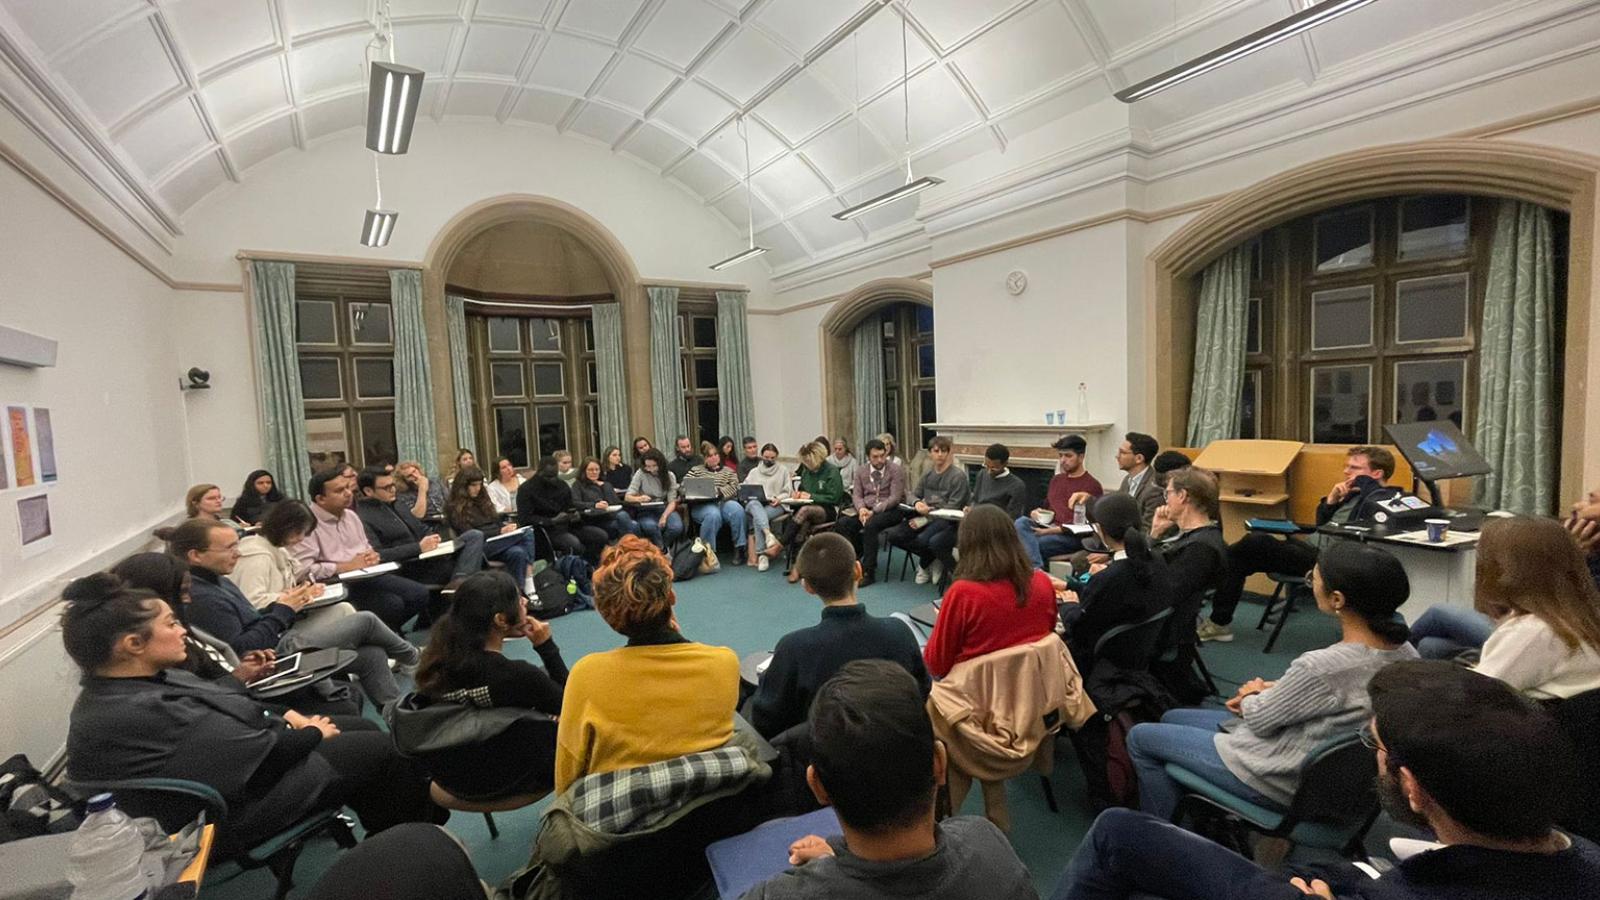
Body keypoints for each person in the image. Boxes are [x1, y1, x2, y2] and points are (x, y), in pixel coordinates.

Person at [1050, 659, 1600, 900]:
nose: (1371, 753)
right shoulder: (1586, 859)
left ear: (1411, 788)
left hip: (1321, 872)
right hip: (1359, 867)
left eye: (1375, 746)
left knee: (1118, 830)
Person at [62, 573, 442, 855]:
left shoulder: (130, 687)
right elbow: (263, 757)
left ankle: (395, 834)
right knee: (378, 750)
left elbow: (222, 707)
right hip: (223, 817)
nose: (181, 631)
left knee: (359, 727)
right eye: (171, 623)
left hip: (226, 783)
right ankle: (409, 846)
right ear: (132, 644)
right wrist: (310, 733)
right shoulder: (141, 711)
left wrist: (286, 717)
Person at [1126, 539, 1418, 820]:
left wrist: (1253, 695)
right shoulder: (1407, 655)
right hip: (1336, 783)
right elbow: (1343, 690)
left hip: (1277, 776)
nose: (1311, 583)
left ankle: (1160, 833)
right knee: (1173, 716)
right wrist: (1275, 689)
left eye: (1312, 578)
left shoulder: (1321, 667)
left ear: (1337, 599)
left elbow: (1260, 719)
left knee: (1140, 737)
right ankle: (1203, 814)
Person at [743, 660, 1038, 900]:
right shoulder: (987, 842)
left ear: (817, 786)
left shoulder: (773, 895)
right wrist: (835, 860)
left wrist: (834, 865)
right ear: (939, 763)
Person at [171, 517, 419, 706]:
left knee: (372, 655)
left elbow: (251, 618)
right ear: (196, 555)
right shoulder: (201, 597)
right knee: (365, 620)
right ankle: (415, 659)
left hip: (281, 640)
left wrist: (286, 603)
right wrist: (283, 610)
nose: (237, 553)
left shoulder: (215, 579)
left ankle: (397, 718)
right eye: (229, 548)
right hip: (276, 656)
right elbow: (244, 649)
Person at [554, 536, 738, 792]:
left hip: (620, 825)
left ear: (608, 615)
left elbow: (567, 779)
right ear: (671, 597)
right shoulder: (723, 662)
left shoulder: (586, 675)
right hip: (709, 808)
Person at [110, 553, 359, 718]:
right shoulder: (168, 646)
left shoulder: (210, 594)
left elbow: (221, 668)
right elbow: (205, 700)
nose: (238, 553)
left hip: (243, 692)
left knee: (363, 662)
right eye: (182, 593)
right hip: (242, 706)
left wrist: (246, 668)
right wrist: (282, 610)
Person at [1199, 445, 1397, 643]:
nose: (1346, 471)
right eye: (1347, 466)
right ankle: (1218, 613)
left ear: (1377, 473)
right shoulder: (1354, 492)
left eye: (1354, 468)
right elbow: (1322, 525)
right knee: (1243, 553)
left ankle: (1215, 604)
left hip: (1329, 562)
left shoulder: (1379, 499)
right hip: (1313, 548)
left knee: (1253, 544)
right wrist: (1331, 501)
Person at [749, 533, 929, 738]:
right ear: (858, 571)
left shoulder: (794, 648)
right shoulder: (899, 632)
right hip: (894, 748)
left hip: (822, 756)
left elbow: (767, 720)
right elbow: (921, 692)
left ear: (807, 586)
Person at [1407, 516, 1600, 700]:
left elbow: (1475, 696)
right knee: (1432, 645)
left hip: (1528, 724)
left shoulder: (1533, 632)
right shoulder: (1577, 611)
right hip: (1553, 711)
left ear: (1507, 571)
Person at [412, 571, 569, 797]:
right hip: (518, 778)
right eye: (517, 599)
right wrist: (547, 647)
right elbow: (573, 705)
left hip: (456, 780)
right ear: (500, 620)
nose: (524, 602)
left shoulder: (434, 668)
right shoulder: (519, 675)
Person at [922, 505, 1061, 679]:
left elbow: (936, 665)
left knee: (905, 627)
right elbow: (1047, 632)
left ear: (966, 542)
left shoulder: (963, 593)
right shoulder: (1042, 582)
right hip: (1033, 686)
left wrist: (944, 622)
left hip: (976, 693)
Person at [293, 469, 431, 632]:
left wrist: (371, 555)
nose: (348, 493)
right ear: (320, 499)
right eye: (339, 491)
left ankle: (386, 632)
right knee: (392, 604)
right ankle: (387, 636)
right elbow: (302, 571)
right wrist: (342, 567)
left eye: (347, 488)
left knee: (419, 593)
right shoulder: (306, 524)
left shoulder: (351, 516)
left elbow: (365, 547)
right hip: (336, 583)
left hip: (366, 575)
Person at [1059, 493, 1172, 672]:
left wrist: (1068, 606)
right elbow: (1115, 598)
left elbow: (1079, 630)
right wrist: (1071, 587)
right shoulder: (1156, 559)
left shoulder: (1109, 577)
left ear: (1101, 531)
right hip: (1134, 653)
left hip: (1099, 659)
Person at [356, 467, 486, 584]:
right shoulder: (364, 517)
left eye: (393, 485)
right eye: (386, 488)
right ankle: (461, 583)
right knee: (477, 566)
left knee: (474, 536)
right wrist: (418, 548)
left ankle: (460, 581)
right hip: (410, 566)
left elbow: (421, 528)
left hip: (430, 556)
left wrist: (434, 537)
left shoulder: (398, 504)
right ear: (368, 491)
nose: (393, 490)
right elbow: (379, 555)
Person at [883, 436, 970, 586]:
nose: (940, 454)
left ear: (949, 453)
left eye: (944, 451)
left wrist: (926, 518)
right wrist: (917, 503)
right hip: (925, 515)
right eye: (936, 451)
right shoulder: (928, 474)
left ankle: (924, 564)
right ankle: (933, 558)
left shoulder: (958, 476)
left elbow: (953, 507)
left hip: (947, 521)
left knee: (924, 540)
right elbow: (913, 494)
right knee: (894, 535)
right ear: (930, 453)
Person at [1015, 434, 1104, 571]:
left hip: (1072, 536)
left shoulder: (1091, 485)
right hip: (1049, 526)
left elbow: (1088, 526)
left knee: (1033, 544)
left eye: (1068, 456)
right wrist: (1036, 513)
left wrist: (1049, 532)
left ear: (1081, 457)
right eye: (1060, 456)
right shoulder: (1056, 480)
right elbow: (1048, 507)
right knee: (1021, 522)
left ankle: (1036, 572)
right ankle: (1035, 570)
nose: (1063, 460)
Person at [446, 467, 538, 594]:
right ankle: (529, 585)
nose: (477, 489)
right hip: (478, 547)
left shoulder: (483, 500)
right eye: (473, 485)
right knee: (527, 533)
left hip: (496, 542)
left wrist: (505, 529)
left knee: (518, 552)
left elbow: (496, 522)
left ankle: (517, 592)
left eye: (479, 484)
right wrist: (499, 532)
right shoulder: (454, 507)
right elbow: (467, 533)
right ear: (463, 486)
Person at [831, 439, 905, 587]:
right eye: (875, 457)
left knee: (871, 526)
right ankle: (857, 557)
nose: (880, 460)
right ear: (868, 457)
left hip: (890, 509)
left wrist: (874, 511)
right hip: (866, 509)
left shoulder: (895, 470)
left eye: (882, 456)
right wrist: (862, 509)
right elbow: (857, 495)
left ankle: (869, 571)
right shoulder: (861, 471)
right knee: (843, 524)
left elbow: (895, 497)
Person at [776, 442, 845, 584]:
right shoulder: (806, 472)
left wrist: (812, 497)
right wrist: (798, 494)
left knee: (804, 512)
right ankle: (797, 566)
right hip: (807, 510)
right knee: (803, 524)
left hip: (828, 510)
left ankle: (780, 544)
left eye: (808, 461)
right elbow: (803, 489)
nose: (806, 464)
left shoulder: (832, 471)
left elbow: (835, 497)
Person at [518, 455, 609, 562]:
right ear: (539, 473)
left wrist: (575, 515)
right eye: (548, 477)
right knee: (573, 544)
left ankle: (589, 565)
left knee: (601, 536)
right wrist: (551, 521)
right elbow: (525, 519)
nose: (552, 480)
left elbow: (570, 506)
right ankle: (574, 568)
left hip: (569, 525)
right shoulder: (526, 489)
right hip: (546, 530)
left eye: (554, 476)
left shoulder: (561, 485)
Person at [1070, 432, 1161, 533]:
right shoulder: (1128, 479)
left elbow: (1149, 529)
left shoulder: (1154, 489)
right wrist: (1088, 499)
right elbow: (1113, 506)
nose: (1117, 456)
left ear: (1139, 458)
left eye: (1122, 452)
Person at [684, 447, 745, 561]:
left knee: (737, 510)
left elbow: (735, 486)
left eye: (716, 454)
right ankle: (708, 552)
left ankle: (739, 547)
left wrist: (719, 492)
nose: (714, 457)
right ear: (705, 458)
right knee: (713, 515)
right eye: (710, 456)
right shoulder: (696, 470)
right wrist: (703, 491)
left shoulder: (728, 471)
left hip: (723, 501)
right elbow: (685, 486)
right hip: (703, 505)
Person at [743, 442, 792, 570]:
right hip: (755, 503)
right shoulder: (754, 472)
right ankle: (768, 534)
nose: (769, 460)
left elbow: (788, 491)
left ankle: (762, 555)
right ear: (762, 455)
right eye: (766, 457)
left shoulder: (783, 471)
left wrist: (779, 499)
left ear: (776, 457)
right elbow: (745, 489)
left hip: (776, 504)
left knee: (757, 518)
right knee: (754, 505)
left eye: (772, 458)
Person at [623, 448, 685, 549]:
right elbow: (627, 497)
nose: (651, 469)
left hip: (664, 508)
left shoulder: (670, 476)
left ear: (660, 464)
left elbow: (672, 501)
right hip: (646, 510)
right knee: (651, 526)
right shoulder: (640, 473)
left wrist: (664, 516)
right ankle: (661, 550)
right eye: (648, 466)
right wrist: (639, 498)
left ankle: (661, 548)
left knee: (676, 527)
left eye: (654, 466)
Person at [572, 456, 639, 541]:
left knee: (629, 521)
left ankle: (628, 547)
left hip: (610, 517)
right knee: (629, 523)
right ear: (584, 471)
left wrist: (604, 487)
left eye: (597, 469)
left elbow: (615, 503)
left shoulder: (606, 484)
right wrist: (595, 505)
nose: (594, 472)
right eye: (590, 470)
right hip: (593, 519)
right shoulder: (578, 485)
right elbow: (576, 503)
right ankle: (630, 548)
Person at [968, 443, 1027, 519]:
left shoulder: (1017, 485)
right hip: (977, 518)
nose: (989, 471)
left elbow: (1012, 517)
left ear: (1005, 464)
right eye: (986, 466)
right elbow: (975, 500)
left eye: (994, 468)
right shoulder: (982, 474)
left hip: (997, 524)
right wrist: (970, 509)